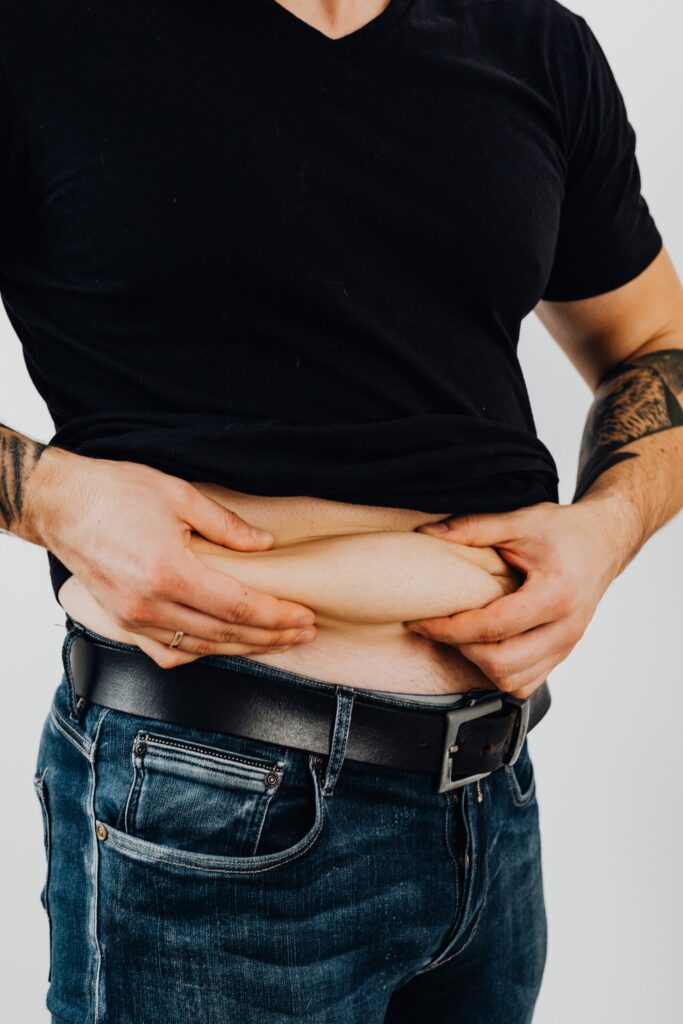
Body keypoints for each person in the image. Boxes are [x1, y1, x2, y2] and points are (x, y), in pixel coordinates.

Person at [1, 0, 681, 1021]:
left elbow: (652, 344)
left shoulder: (533, 43)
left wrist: (603, 529)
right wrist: (49, 495)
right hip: (204, 798)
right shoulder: (42, 35)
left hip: (489, 807)